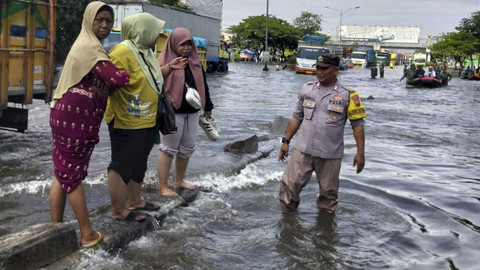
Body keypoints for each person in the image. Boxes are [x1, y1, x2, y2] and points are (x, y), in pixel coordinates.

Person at [49, 1, 129, 248]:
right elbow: (117, 79)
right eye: (99, 20)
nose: (104, 25)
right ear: (88, 21)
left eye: (108, 20)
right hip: (75, 120)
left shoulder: (88, 44)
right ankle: (87, 234)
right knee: (72, 175)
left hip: (66, 115)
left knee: (62, 172)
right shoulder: (90, 48)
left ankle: (56, 227)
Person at [105, 13, 187, 221]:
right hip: (127, 119)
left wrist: (169, 68)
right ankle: (118, 210)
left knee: (139, 162)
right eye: (153, 30)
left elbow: (149, 77)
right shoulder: (121, 52)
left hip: (147, 118)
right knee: (121, 164)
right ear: (143, 30)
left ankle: (135, 200)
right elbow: (111, 83)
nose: (156, 36)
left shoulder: (146, 52)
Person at [278, 53, 366, 214]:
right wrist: (286, 141)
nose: (319, 72)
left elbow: (358, 124)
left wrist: (360, 153)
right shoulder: (307, 89)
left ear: (336, 70)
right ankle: (288, 227)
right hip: (303, 150)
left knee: (328, 195)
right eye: (318, 68)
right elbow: (296, 116)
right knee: (288, 186)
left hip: (330, 154)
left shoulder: (348, 95)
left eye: (324, 69)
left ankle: (325, 230)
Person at [157, 27, 214, 197]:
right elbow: (157, 82)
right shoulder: (165, 62)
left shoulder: (195, 63)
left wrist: (208, 106)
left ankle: (179, 180)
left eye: (189, 44)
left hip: (192, 111)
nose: (186, 48)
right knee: (168, 149)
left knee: (187, 147)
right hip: (172, 111)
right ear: (174, 44)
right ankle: (163, 186)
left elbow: (203, 85)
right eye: (182, 45)